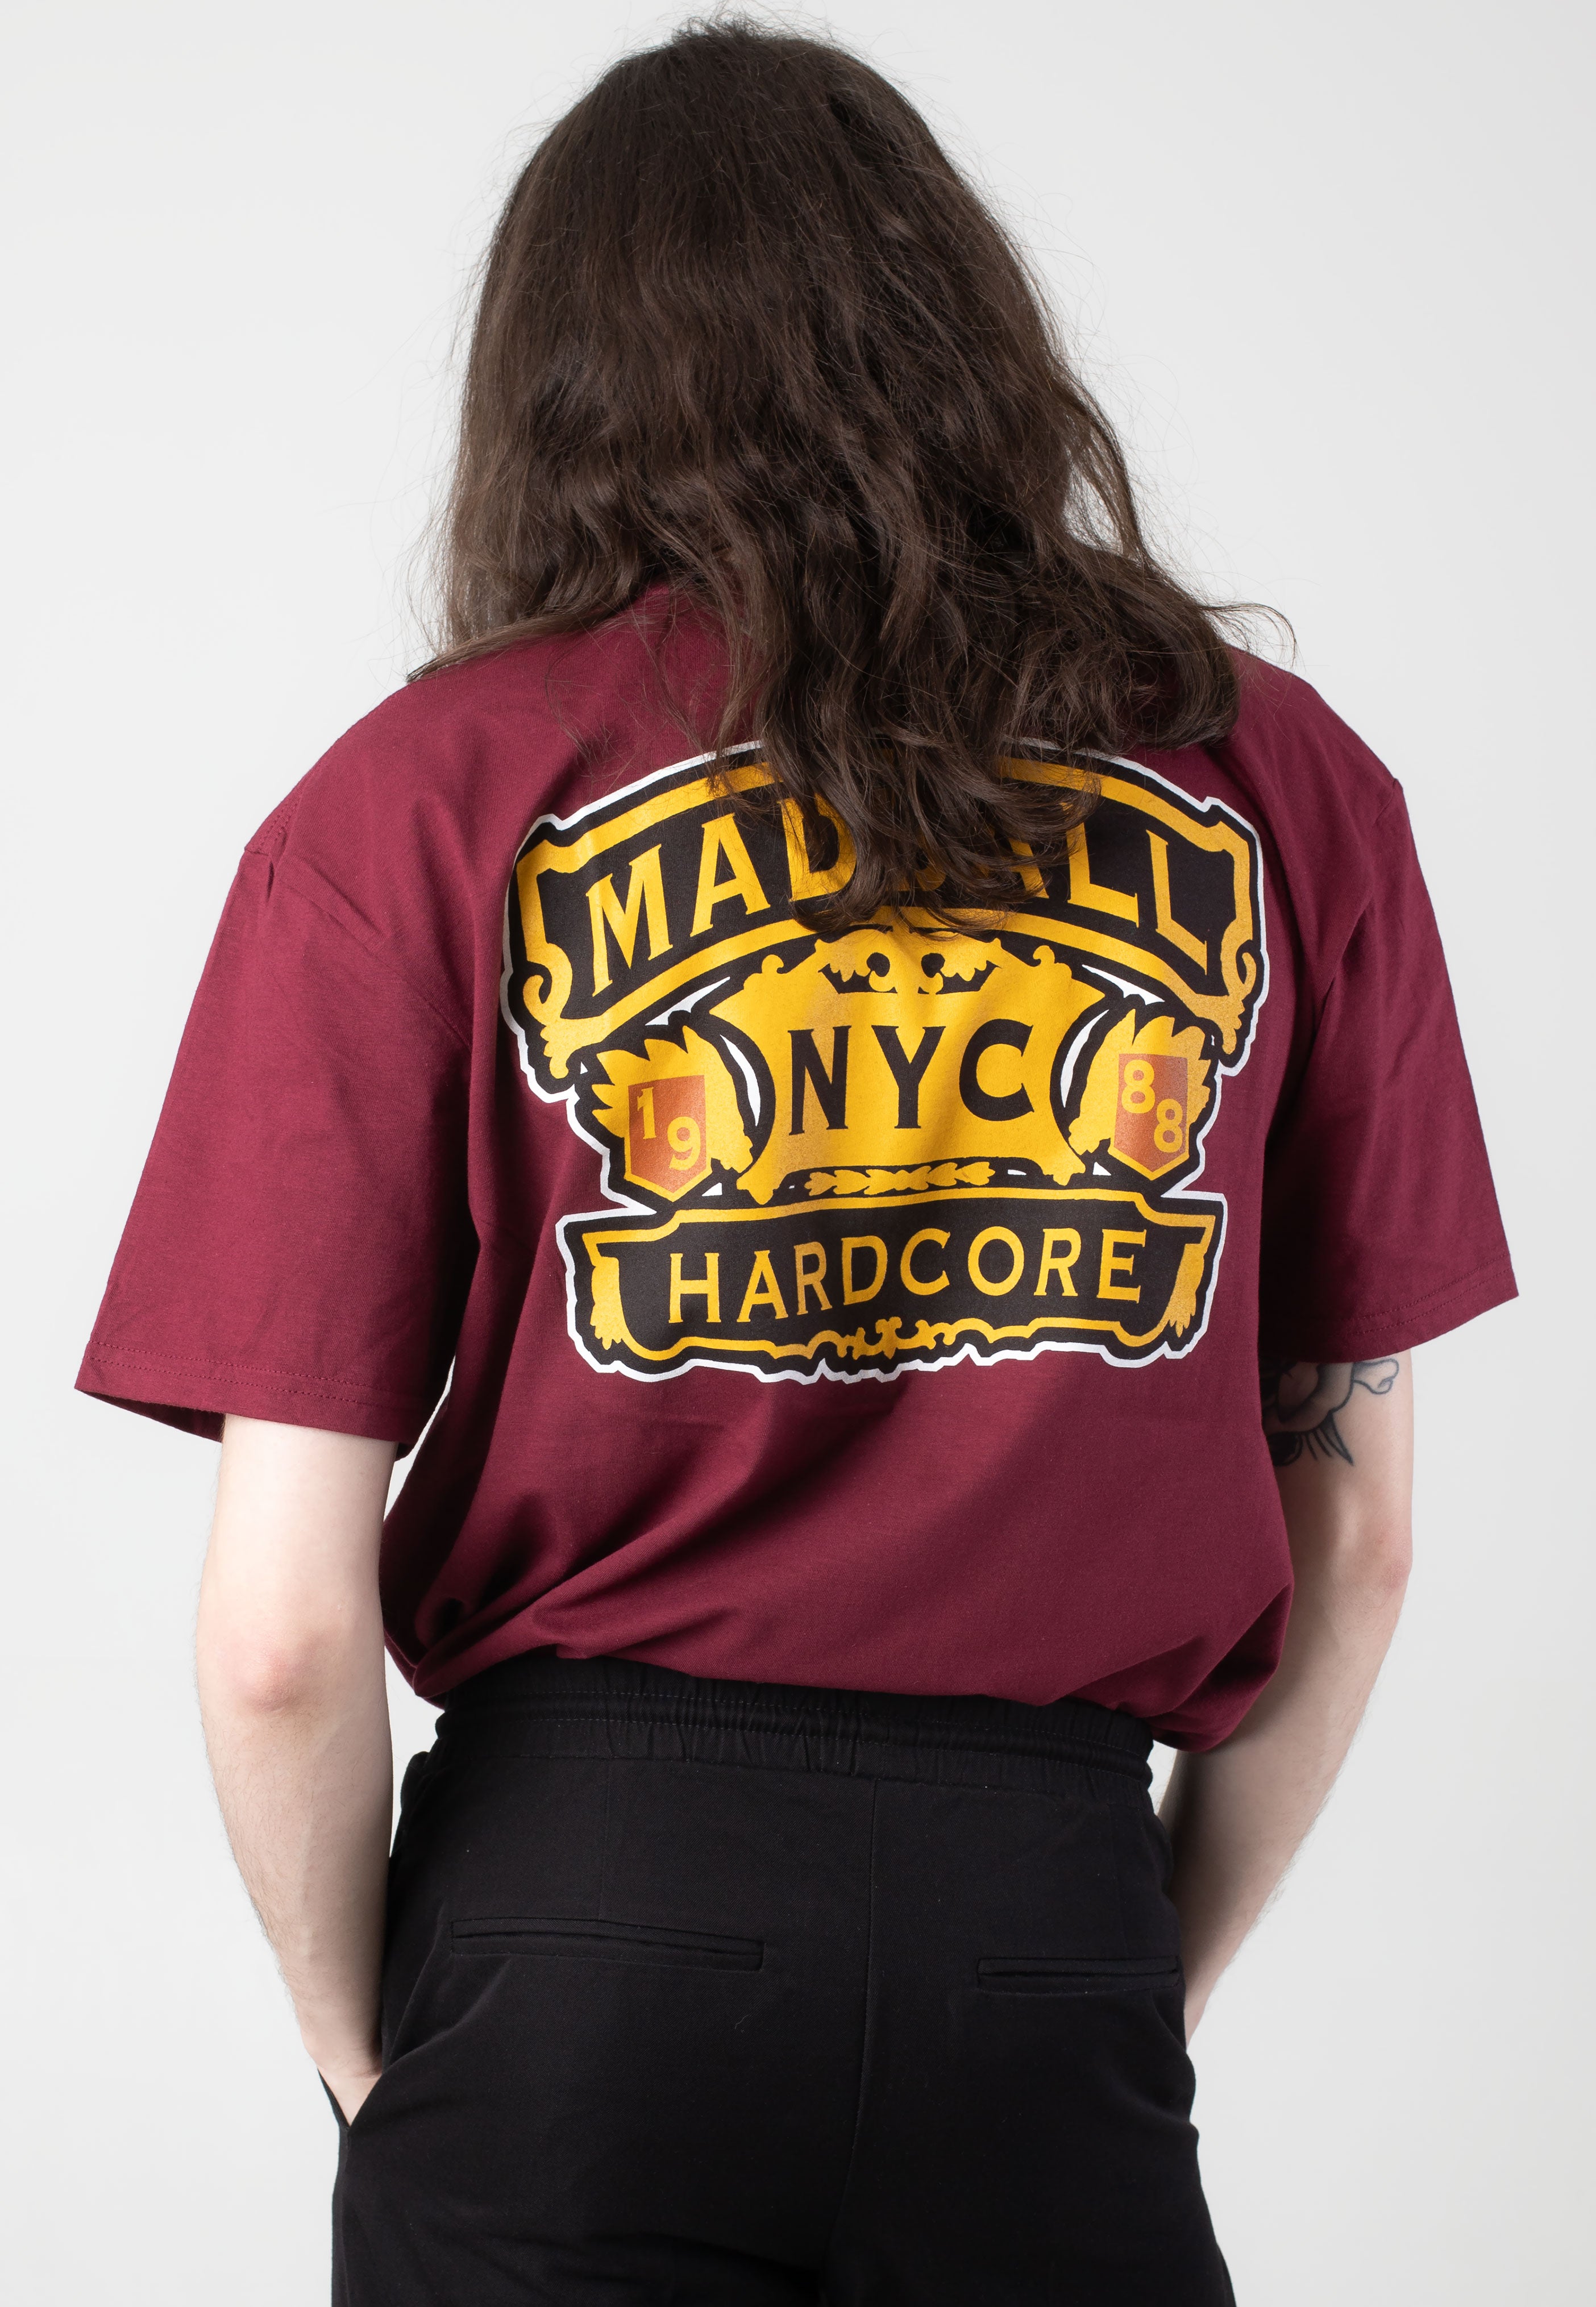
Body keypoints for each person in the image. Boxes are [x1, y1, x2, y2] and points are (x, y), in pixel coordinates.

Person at [77, 22, 1515, 2305]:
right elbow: (1366, 1531)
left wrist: (382, 2065)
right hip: (1044, 1918)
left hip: (574, 1940)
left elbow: (277, 1636)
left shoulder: (413, 807)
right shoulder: (1290, 792)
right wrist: (1123, 1981)